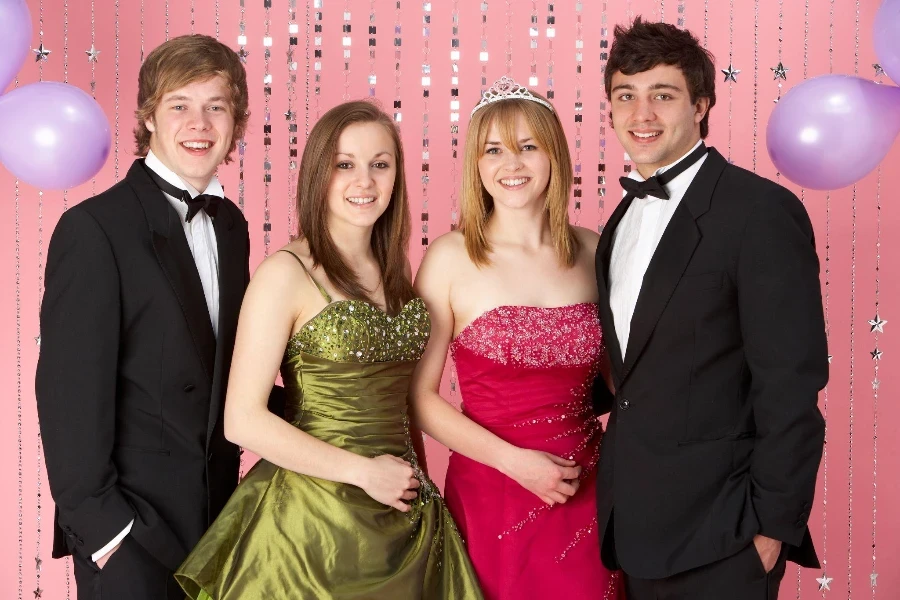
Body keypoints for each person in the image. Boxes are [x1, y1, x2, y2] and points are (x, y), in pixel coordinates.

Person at [174, 100, 483, 599]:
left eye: (379, 165)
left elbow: (403, 402)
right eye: (345, 165)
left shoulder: (395, 273)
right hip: (311, 523)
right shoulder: (286, 274)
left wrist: (415, 485)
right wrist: (363, 473)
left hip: (403, 513)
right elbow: (242, 419)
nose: (364, 181)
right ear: (319, 173)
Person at [592, 17, 828, 600]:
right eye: (627, 96)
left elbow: (792, 383)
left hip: (724, 530)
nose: (642, 114)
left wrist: (772, 525)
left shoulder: (760, 213)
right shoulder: (618, 223)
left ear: (700, 104)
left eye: (663, 96)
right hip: (635, 526)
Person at [36, 35, 255, 598]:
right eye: (179, 104)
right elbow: (67, 399)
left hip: (219, 527)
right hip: (132, 537)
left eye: (217, 106)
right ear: (149, 118)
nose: (198, 123)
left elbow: (227, 375)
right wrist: (108, 534)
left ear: (236, 122)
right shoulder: (94, 230)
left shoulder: (231, 228)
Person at [410, 76, 623, 600]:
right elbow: (417, 399)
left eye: (529, 147)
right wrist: (514, 462)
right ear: (476, 165)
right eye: (495, 150)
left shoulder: (596, 251)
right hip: (492, 489)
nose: (513, 164)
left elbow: (626, 383)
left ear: (554, 156)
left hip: (587, 488)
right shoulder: (449, 257)